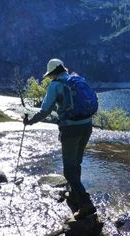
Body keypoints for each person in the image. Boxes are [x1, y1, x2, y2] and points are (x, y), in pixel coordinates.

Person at [23, 58, 96, 220]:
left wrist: (30, 121)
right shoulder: (77, 79)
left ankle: (85, 204)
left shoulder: (55, 85)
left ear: (53, 73)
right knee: (76, 163)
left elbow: (45, 111)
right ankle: (74, 193)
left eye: (49, 75)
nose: (49, 78)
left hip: (71, 129)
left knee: (68, 169)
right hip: (87, 126)